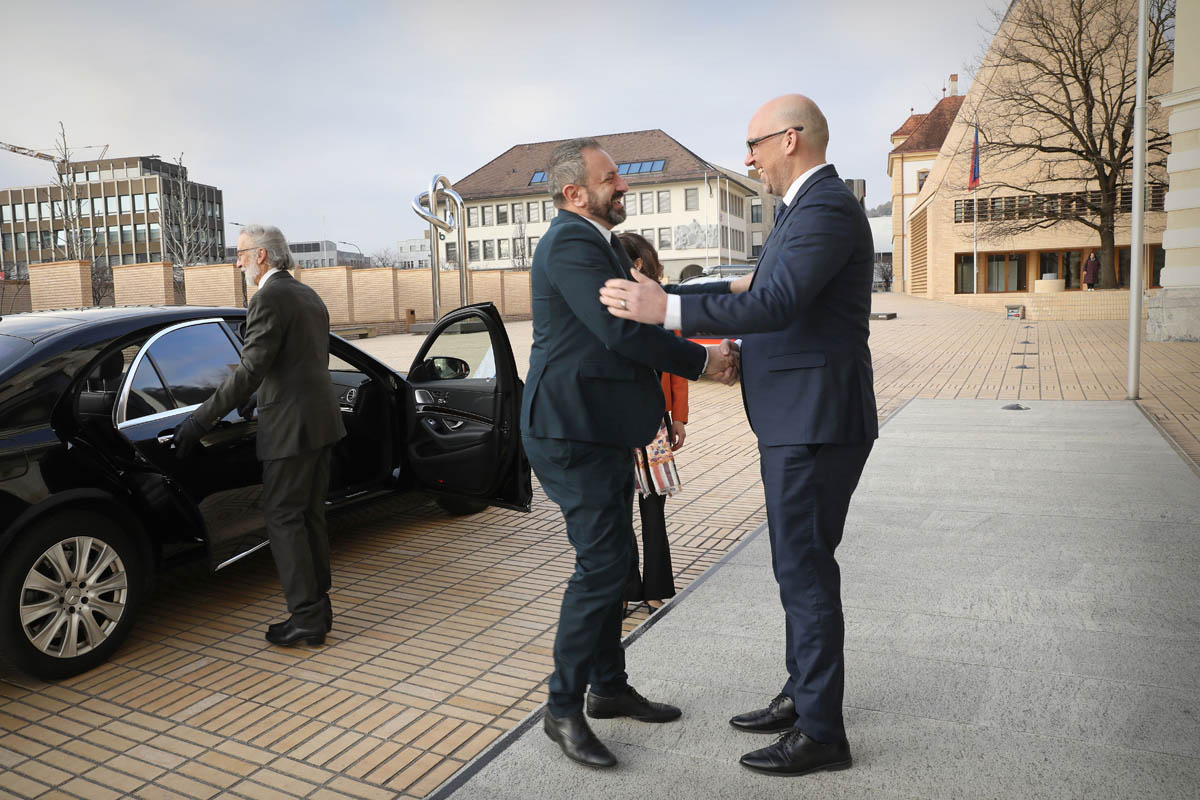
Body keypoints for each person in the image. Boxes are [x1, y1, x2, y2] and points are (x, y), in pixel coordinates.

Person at [599, 94, 878, 777]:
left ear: (790, 139)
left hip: (813, 420)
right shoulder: (804, 211)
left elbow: (776, 303)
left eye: (753, 144)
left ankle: (821, 733)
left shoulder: (826, 207)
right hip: (800, 415)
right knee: (798, 568)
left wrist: (667, 308)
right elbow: (763, 285)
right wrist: (712, 295)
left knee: (805, 573)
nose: (747, 158)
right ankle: (802, 693)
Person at [522, 138, 738, 769]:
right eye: (610, 177)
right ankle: (561, 710)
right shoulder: (569, 243)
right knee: (603, 568)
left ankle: (608, 689)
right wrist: (704, 361)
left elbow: (648, 310)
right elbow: (622, 330)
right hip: (570, 433)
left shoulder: (606, 243)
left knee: (614, 565)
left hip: (601, 429)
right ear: (573, 192)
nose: (623, 185)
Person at [174, 224, 345, 648]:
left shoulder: (267, 297)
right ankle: (317, 609)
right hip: (320, 422)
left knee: (284, 517)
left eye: (241, 254)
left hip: (290, 427)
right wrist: (257, 399)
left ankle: (306, 618)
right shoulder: (307, 294)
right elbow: (298, 362)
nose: (237, 262)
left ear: (262, 257)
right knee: (308, 516)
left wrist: (199, 421)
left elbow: (250, 369)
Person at [617, 232, 686, 613]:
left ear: (637, 265)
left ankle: (656, 585)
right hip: (614, 423)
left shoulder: (659, 305)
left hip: (655, 424)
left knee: (653, 508)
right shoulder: (607, 303)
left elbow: (675, 366)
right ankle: (626, 587)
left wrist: (678, 418)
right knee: (619, 508)